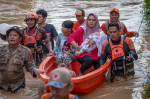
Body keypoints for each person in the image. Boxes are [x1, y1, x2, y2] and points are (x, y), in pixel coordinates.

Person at [0, 26, 44, 93]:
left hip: (17, 85)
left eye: (15, 35)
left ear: (20, 38)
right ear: (7, 38)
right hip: (2, 84)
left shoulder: (26, 51)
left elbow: (30, 65)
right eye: (10, 35)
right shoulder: (1, 49)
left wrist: (35, 70)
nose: (12, 37)